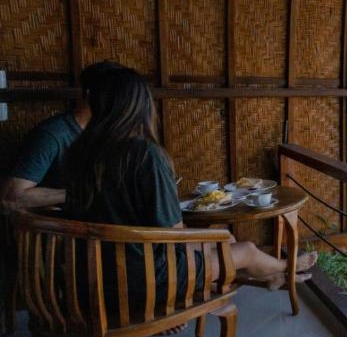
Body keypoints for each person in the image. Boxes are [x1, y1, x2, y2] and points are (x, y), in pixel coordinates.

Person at [64, 68, 315, 311]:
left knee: (225, 239)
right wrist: (204, 241)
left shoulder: (80, 153)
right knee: (245, 249)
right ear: (140, 107)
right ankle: (285, 268)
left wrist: (208, 240)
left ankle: (272, 275)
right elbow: (173, 236)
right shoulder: (144, 156)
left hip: (93, 277)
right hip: (146, 282)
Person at [1, 61, 125, 209]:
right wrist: (77, 194)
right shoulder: (52, 135)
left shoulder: (113, 132)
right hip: (60, 226)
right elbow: (10, 197)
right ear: (90, 93)